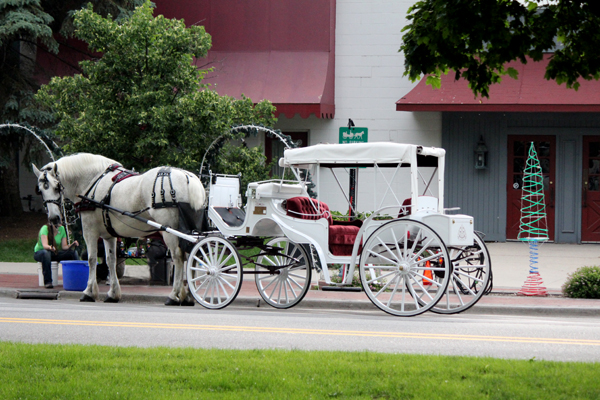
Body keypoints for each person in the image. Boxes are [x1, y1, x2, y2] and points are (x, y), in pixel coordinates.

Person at [33, 222, 79, 288]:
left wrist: (72, 245)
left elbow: (64, 247)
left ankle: (77, 278)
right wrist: (50, 247)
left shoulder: (62, 229)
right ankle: (48, 282)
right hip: (40, 252)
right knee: (46, 253)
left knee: (73, 253)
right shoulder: (45, 228)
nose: (60, 223)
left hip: (53, 252)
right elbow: (45, 245)